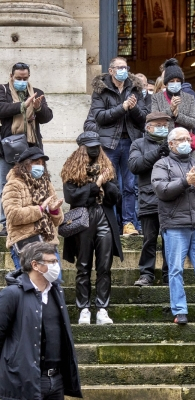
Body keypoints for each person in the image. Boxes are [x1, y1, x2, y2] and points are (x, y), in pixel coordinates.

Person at [151, 127, 195, 325]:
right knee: (175, 270)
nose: (185, 143)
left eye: (188, 139)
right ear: (171, 144)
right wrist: (185, 181)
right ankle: (179, 310)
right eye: (180, 139)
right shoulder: (162, 165)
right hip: (174, 226)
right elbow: (162, 190)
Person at [0, 242, 82, 399]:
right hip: (24, 380)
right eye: (51, 262)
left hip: (56, 380)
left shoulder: (57, 292)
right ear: (35, 265)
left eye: (56, 261)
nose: (55, 266)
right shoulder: (12, 294)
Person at [61, 131, 123, 325]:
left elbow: (115, 197)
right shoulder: (72, 170)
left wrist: (106, 183)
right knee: (83, 265)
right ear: (82, 148)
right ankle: (84, 309)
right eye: (91, 146)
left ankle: (102, 308)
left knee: (104, 266)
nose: (95, 149)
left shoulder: (107, 168)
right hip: (83, 218)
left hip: (104, 216)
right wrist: (96, 184)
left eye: (97, 145)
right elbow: (72, 197)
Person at [90, 56, 147, 236]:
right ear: (111, 70)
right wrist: (122, 108)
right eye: (120, 67)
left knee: (130, 186)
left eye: (126, 67)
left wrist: (133, 108)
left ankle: (128, 223)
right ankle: (111, 222)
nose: (124, 70)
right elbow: (99, 116)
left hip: (130, 142)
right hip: (109, 144)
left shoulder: (135, 89)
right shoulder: (101, 90)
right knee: (109, 184)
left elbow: (144, 117)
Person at [0, 62, 53, 236]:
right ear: (11, 76)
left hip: (31, 147)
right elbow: (2, 109)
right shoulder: (3, 91)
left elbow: (47, 117)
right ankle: (6, 222)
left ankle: (33, 218)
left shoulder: (36, 92)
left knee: (34, 184)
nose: (22, 81)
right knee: (6, 184)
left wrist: (37, 107)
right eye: (18, 78)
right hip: (9, 146)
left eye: (25, 78)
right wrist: (22, 105)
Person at [128, 112, 171, 287]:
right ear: (148, 127)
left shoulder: (174, 142)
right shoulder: (138, 144)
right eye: (159, 124)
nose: (163, 128)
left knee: (170, 240)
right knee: (149, 239)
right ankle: (146, 273)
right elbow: (134, 166)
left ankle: (170, 274)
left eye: (165, 125)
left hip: (170, 199)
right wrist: (156, 153)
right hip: (148, 199)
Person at [2, 147, 63, 270]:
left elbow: (58, 221)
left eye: (42, 164)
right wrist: (40, 209)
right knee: (30, 287)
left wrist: (54, 211)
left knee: (54, 285)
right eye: (36, 163)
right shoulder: (13, 185)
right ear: (25, 164)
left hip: (49, 244)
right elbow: (13, 215)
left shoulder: (47, 184)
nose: (40, 167)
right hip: (26, 245)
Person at [152, 59, 195, 139]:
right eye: (172, 81)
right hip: (164, 142)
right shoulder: (156, 97)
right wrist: (171, 109)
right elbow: (155, 118)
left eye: (178, 81)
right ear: (166, 83)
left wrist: (177, 116)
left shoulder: (189, 98)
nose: (175, 83)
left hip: (185, 141)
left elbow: (193, 122)